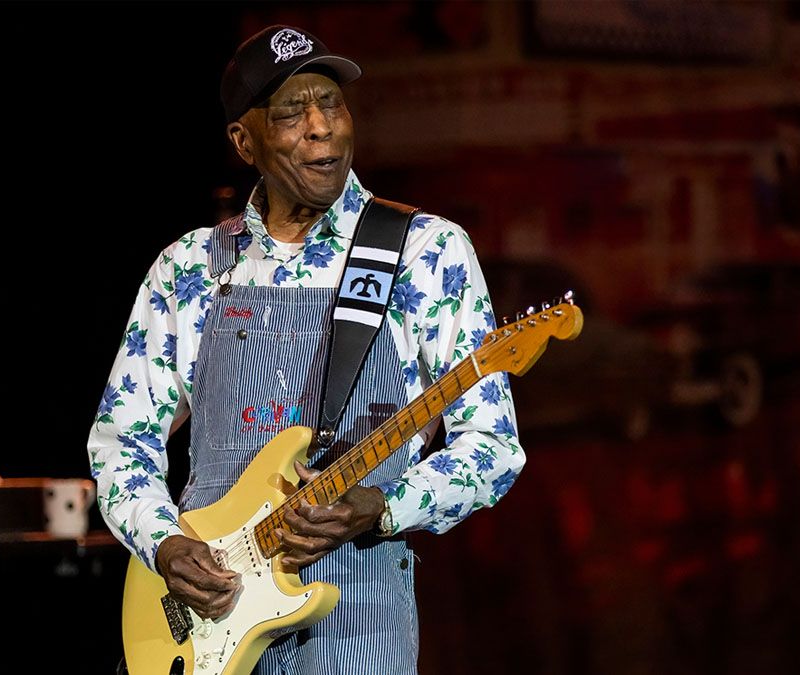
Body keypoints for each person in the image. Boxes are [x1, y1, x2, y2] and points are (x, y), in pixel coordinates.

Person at [87, 24, 525, 674]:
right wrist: (166, 544)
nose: (322, 127)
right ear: (244, 140)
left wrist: (386, 504)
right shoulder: (190, 267)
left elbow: (493, 445)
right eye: (291, 111)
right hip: (205, 620)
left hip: (359, 620)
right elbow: (122, 442)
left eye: (333, 103)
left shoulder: (425, 252)